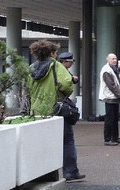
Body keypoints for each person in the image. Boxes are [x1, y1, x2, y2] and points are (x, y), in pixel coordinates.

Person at [29, 40, 84, 182]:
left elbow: (27, 88)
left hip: (36, 109)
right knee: (67, 140)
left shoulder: (31, 68)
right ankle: (70, 172)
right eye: (55, 52)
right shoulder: (56, 65)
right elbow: (67, 84)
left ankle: (42, 174)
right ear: (52, 53)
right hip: (56, 107)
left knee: (42, 141)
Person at [99, 53, 120, 146]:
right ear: (108, 60)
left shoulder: (113, 69)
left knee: (115, 118)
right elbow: (112, 86)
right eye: (112, 59)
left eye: (115, 58)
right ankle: (107, 139)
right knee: (110, 119)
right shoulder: (107, 71)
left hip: (113, 97)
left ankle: (115, 137)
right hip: (109, 97)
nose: (115, 60)